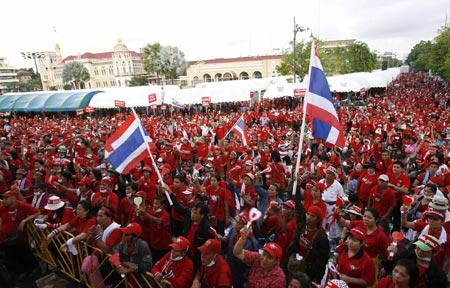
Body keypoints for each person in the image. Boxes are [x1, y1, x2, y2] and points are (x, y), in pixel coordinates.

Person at [0, 189, 40, 280]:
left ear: (13, 199)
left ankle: (33, 269)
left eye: (6, 198)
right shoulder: (2, 208)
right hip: (5, 237)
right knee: (11, 256)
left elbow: (37, 212)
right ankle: (20, 272)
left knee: (25, 254)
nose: (4, 200)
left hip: (20, 237)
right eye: (3, 198)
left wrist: (24, 220)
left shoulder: (22, 205)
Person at [287, 205, 330, 283]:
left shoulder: (321, 238)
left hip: (308, 272)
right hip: (296, 265)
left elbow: (321, 261)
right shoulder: (302, 226)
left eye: (312, 216)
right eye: (308, 214)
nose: (309, 217)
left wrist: (316, 279)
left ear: (318, 220)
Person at [113, 222, 153, 286]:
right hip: (127, 280)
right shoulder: (122, 245)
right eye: (123, 234)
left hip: (141, 281)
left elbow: (147, 266)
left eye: (126, 235)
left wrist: (129, 270)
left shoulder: (143, 245)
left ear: (134, 237)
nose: (123, 237)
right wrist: (126, 264)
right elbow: (117, 258)